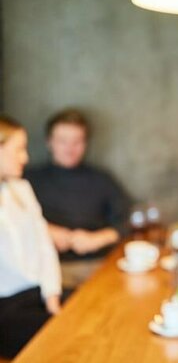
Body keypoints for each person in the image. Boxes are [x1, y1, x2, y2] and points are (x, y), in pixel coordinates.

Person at [25, 109, 130, 289]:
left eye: (77, 141)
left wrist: (98, 238)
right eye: (62, 141)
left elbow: (127, 220)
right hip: (49, 268)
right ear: (49, 142)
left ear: (85, 143)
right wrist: (46, 231)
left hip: (98, 265)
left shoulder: (101, 179)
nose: (70, 148)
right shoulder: (29, 180)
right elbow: (11, 222)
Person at [0, 115, 62, 359]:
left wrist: (52, 297)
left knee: (91, 316)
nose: (25, 158)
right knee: (64, 341)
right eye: (19, 150)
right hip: (6, 307)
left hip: (40, 293)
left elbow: (45, 246)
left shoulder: (22, 189)